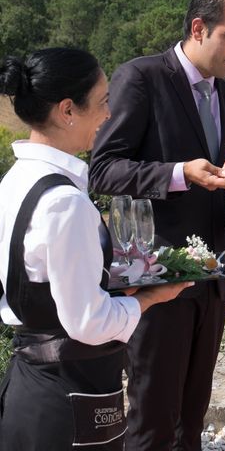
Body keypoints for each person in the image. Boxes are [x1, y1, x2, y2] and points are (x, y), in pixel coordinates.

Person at [0, 48, 192, 451]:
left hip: (27, 389)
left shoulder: (13, 181)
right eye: (103, 102)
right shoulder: (66, 202)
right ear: (68, 109)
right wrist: (150, 298)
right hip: (68, 397)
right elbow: (87, 322)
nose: (108, 114)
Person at [88, 0, 225, 450]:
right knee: (153, 418)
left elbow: (220, 179)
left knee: (191, 418)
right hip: (152, 275)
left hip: (214, 275)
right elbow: (103, 170)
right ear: (198, 28)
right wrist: (180, 173)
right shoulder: (140, 78)